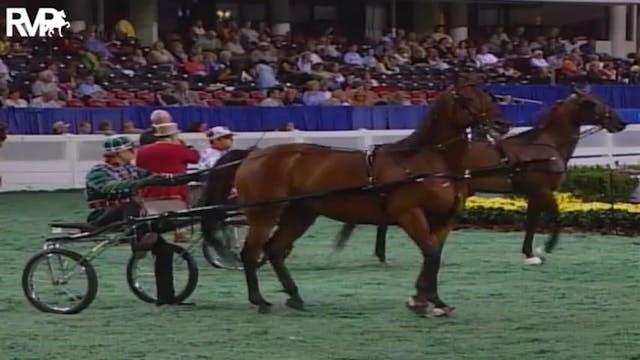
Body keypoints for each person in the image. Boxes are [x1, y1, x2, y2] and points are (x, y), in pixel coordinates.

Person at [85, 136, 192, 306]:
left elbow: (159, 178)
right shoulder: (98, 172)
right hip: (103, 216)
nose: (134, 152)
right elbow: (110, 187)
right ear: (119, 152)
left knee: (164, 251)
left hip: (133, 218)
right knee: (131, 204)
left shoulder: (132, 169)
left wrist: (185, 178)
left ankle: (166, 298)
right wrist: (142, 182)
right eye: (131, 150)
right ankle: (139, 238)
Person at [136, 122, 200, 206]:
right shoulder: (179, 149)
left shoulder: (141, 150)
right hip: (176, 193)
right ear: (173, 136)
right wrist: (187, 146)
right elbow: (195, 158)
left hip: (149, 194)